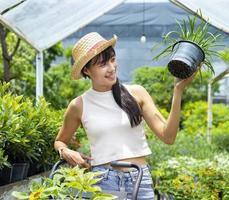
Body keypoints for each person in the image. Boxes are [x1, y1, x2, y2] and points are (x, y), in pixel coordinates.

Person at [54, 32, 198, 200]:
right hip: (103, 181)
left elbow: (168, 137)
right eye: (102, 64)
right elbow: (60, 140)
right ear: (86, 70)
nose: (111, 68)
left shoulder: (136, 93)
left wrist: (178, 91)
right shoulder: (78, 105)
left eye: (112, 60)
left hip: (139, 178)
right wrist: (65, 151)